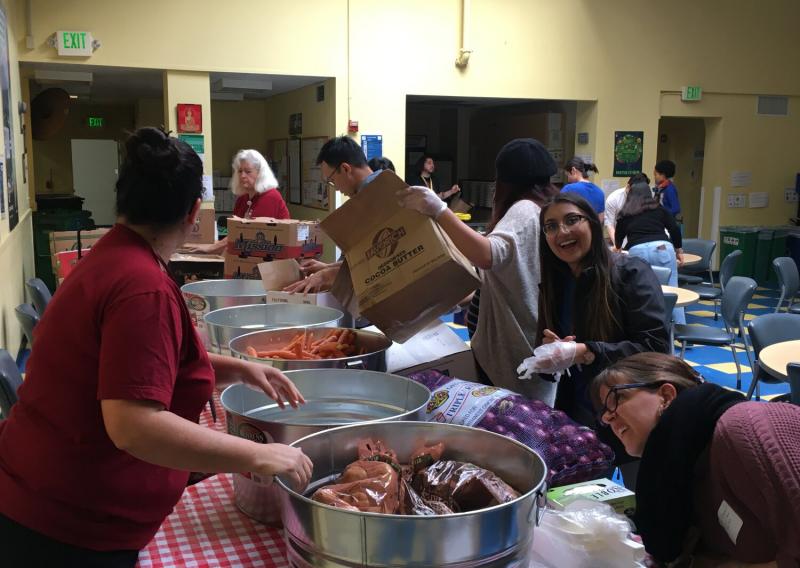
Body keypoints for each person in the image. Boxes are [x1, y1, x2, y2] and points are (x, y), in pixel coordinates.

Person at [0, 128, 312, 566]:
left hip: (44, 498)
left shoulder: (114, 256)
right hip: (65, 528)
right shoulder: (141, 287)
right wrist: (260, 454)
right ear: (191, 214)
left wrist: (239, 369)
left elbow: (141, 363)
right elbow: (134, 425)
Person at [592, 353, 800, 566]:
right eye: (604, 412)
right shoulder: (683, 479)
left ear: (665, 395)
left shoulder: (743, 431)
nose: (608, 418)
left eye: (616, 400)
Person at [397, 138, 558, 402]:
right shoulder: (541, 208)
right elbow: (510, 273)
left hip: (515, 350)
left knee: (514, 425)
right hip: (520, 346)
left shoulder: (524, 208)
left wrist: (439, 210)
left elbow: (488, 255)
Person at [525, 192, 668, 481]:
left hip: (632, 410)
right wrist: (551, 356)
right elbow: (560, 348)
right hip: (581, 413)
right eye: (551, 226)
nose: (561, 232)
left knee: (644, 501)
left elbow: (655, 348)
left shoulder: (630, 273)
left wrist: (586, 351)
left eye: (571, 220)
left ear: (592, 223)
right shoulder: (556, 283)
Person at [284, 136, 380, 295]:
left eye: (332, 180)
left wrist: (325, 276)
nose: (335, 188)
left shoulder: (376, 197)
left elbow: (378, 260)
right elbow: (359, 258)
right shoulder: (370, 193)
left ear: (345, 169)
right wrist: (327, 267)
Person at [187, 149, 289, 254]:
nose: (242, 176)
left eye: (248, 171)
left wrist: (212, 248)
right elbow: (235, 230)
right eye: (240, 171)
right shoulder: (243, 198)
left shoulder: (270, 196)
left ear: (260, 173)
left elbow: (250, 232)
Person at [615, 182, 686, 324]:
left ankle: (642, 328)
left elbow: (618, 236)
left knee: (639, 291)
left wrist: (618, 248)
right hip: (662, 248)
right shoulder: (659, 209)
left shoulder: (626, 213)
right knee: (672, 290)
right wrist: (679, 249)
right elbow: (674, 228)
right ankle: (681, 330)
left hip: (637, 251)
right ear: (650, 194)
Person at [604, 172, 650, 245]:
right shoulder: (613, 199)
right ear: (628, 187)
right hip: (619, 237)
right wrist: (616, 244)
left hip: (638, 238)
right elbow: (610, 224)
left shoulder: (646, 198)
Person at [560, 157, 605, 222]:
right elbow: (600, 219)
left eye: (568, 175)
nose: (568, 179)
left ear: (573, 170)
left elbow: (559, 212)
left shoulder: (568, 189)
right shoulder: (600, 192)